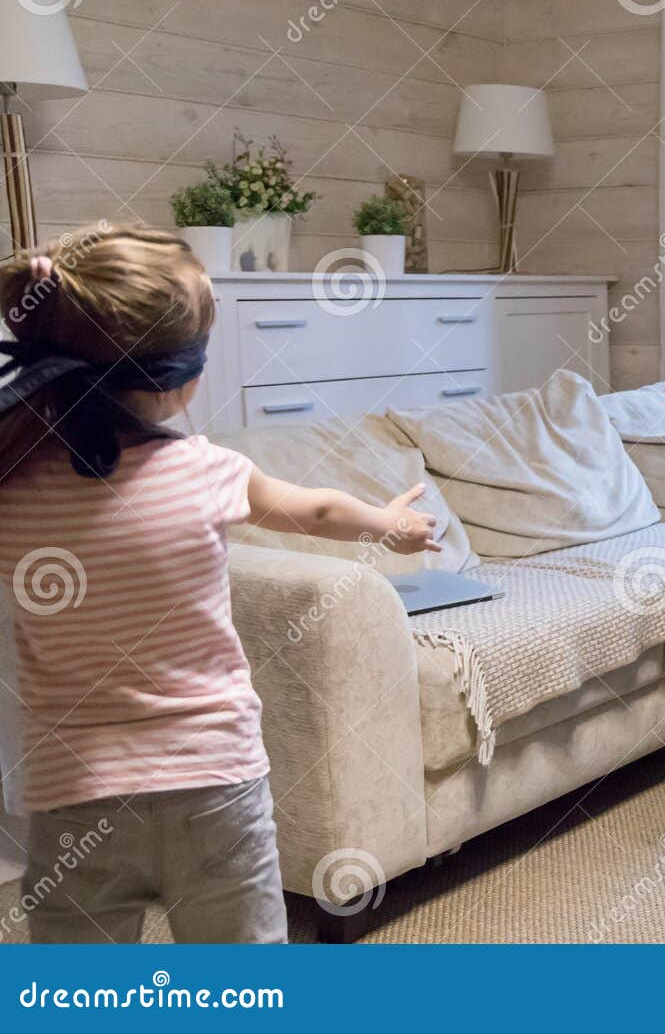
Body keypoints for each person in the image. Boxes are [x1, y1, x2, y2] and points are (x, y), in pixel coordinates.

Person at [0, 226, 442, 942]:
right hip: (214, 785)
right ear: (179, 379)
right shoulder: (205, 471)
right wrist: (388, 523)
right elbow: (319, 509)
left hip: (73, 792)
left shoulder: (13, 486)